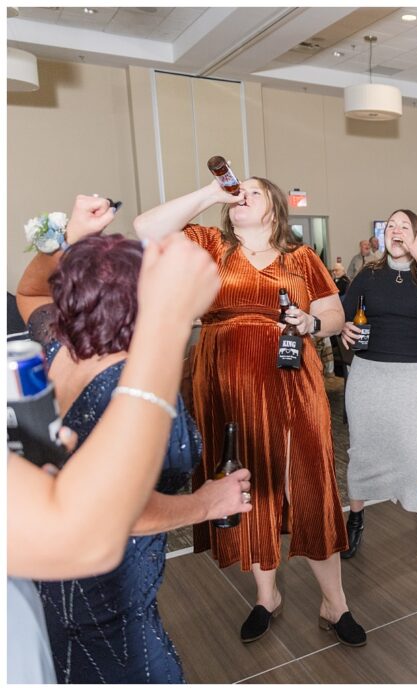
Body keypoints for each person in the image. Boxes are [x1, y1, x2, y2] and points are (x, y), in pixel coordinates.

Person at [15, 196, 252, 684]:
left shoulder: (57, 349)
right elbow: (126, 509)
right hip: (108, 595)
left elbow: (30, 293)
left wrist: (63, 242)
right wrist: (206, 504)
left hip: (47, 578)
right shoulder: (141, 394)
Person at [133, 177, 366, 648]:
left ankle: (334, 603)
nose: (243, 196)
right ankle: (266, 597)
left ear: (275, 208)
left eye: (253, 192)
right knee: (246, 484)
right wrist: (208, 194)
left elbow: (335, 314)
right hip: (224, 383)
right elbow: (145, 227)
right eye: (238, 193)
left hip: (290, 383)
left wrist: (311, 323)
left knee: (305, 483)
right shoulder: (210, 244)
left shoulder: (300, 259)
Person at [337, 209, 417, 565]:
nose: (396, 230)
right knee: (364, 451)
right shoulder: (368, 274)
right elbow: (344, 316)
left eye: (405, 226)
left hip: (411, 377)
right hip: (368, 376)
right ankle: (355, 519)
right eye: (391, 226)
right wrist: (343, 329)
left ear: (414, 236)